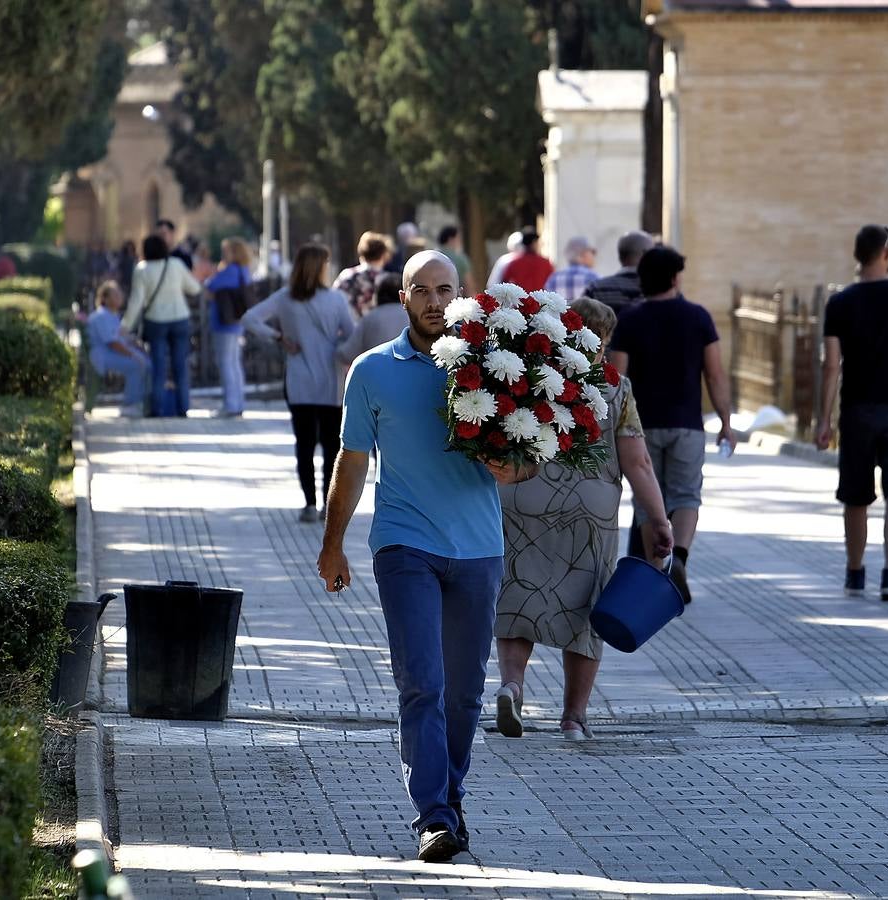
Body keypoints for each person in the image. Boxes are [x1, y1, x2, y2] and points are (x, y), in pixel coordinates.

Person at [316, 250, 536, 863]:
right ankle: (433, 815)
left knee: (464, 692)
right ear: (404, 297)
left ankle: (451, 795)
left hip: (478, 548)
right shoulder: (372, 371)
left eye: (445, 290)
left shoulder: (495, 369)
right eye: (422, 291)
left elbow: (530, 456)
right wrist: (333, 543)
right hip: (403, 544)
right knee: (422, 682)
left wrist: (511, 468)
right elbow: (352, 460)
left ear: (460, 294)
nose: (435, 302)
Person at [493, 297, 674, 742]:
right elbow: (639, 463)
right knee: (586, 612)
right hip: (589, 513)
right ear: (603, 338)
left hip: (522, 498)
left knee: (517, 599)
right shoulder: (615, 388)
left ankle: (512, 686)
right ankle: (574, 718)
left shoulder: (532, 380)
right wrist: (659, 519)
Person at [608, 245, 734, 605]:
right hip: (687, 424)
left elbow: (617, 377)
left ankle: (655, 577)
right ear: (676, 277)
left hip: (641, 426)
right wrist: (726, 421)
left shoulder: (630, 319)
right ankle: (679, 557)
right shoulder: (698, 317)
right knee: (687, 496)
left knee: (650, 501)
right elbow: (715, 373)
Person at [814, 225, 888, 602]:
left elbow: (831, 366)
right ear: (886, 253)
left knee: (856, 495)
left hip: (857, 410)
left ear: (857, 255)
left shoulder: (840, 303)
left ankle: (854, 573)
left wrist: (823, 419)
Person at [243, 243, 355, 522]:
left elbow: (249, 318)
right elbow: (352, 334)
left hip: (298, 379)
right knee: (332, 445)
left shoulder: (284, 298)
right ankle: (329, 505)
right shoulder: (336, 300)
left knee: (304, 443)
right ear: (321, 268)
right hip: (331, 381)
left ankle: (308, 502)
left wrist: (279, 337)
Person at [122, 233, 202, 417]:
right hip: (180, 317)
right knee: (180, 365)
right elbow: (195, 288)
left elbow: (137, 301)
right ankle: (183, 408)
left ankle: (156, 408)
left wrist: (125, 325)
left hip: (156, 320)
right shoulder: (175, 264)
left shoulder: (142, 269)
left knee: (158, 365)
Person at [85, 280, 150, 417]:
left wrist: (134, 344)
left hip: (110, 353)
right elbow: (112, 343)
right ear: (105, 298)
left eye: (119, 294)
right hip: (102, 356)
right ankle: (130, 404)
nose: (119, 298)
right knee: (136, 365)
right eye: (115, 295)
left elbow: (120, 337)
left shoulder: (112, 315)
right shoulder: (102, 316)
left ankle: (144, 402)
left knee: (146, 363)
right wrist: (133, 355)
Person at [205, 237, 254, 418]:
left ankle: (230, 405)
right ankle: (238, 402)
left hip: (224, 323)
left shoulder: (229, 271)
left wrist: (217, 272)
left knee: (226, 364)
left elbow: (209, 286)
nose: (223, 254)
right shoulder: (244, 270)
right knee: (234, 363)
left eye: (226, 251)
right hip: (237, 322)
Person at [336, 272, 407, 369]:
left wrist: (335, 340)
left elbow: (346, 354)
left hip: (376, 378)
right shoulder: (412, 316)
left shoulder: (370, 318)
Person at [582, 229, 655, 318]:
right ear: (646, 254)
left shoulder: (596, 289)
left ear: (620, 255)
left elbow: (582, 325)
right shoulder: (662, 290)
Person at [333, 232, 393, 319]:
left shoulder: (346, 276)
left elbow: (335, 303)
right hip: (381, 329)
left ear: (361, 252)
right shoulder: (389, 280)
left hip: (351, 328)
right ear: (383, 254)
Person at [499, 227, 555, 294]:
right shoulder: (545, 263)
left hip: (520, 301)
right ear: (534, 243)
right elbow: (553, 283)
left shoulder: (514, 263)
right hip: (540, 301)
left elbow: (504, 282)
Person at [544, 235, 599, 300]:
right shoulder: (593, 277)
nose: (594, 256)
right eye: (592, 252)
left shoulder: (553, 278)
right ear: (581, 255)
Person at [436, 224, 474, 296]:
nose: (460, 241)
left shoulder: (431, 257)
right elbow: (469, 286)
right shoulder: (460, 259)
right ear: (451, 239)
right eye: (459, 238)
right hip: (454, 302)